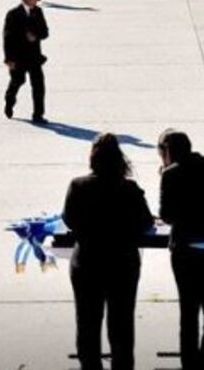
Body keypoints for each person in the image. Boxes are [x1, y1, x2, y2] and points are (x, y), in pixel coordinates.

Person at [62, 133, 154, 370]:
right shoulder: (130, 188)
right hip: (123, 265)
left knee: (87, 325)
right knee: (122, 326)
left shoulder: (78, 186)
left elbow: (69, 219)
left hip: (87, 264)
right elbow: (145, 222)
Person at [157, 129, 204, 370]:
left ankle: (189, 364)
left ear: (166, 152)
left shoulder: (170, 175)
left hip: (188, 252)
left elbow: (166, 216)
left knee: (188, 313)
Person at [3, 0, 49, 123]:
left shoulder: (38, 12)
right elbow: (7, 38)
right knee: (18, 81)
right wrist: (9, 59)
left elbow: (45, 32)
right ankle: (9, 101)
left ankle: (38, 114)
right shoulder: (13, 14)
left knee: (39, 85)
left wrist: (35, 36)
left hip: (34, 56)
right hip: (18, 57)